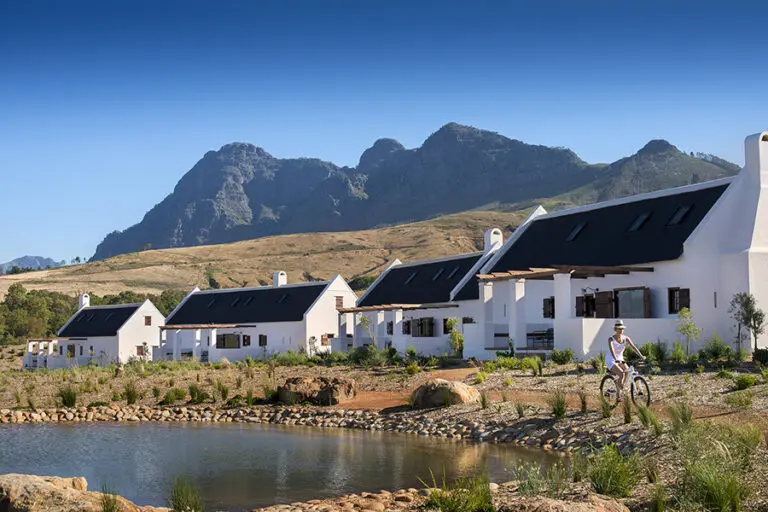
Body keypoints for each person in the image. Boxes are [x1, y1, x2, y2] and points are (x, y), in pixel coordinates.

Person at [606, 320, 644, 399]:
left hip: (620, 358)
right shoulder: (611, 339)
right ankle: (618, 395)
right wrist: (616, 359)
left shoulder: (626, 338)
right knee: (621, 373)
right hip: (611, 359)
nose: (621, 330)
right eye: (619, 328)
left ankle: (620, 386)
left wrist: (641, 356)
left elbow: (633, 347)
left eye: (622, 328)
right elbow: (612, 349)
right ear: (615, 329)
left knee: (627, 371)